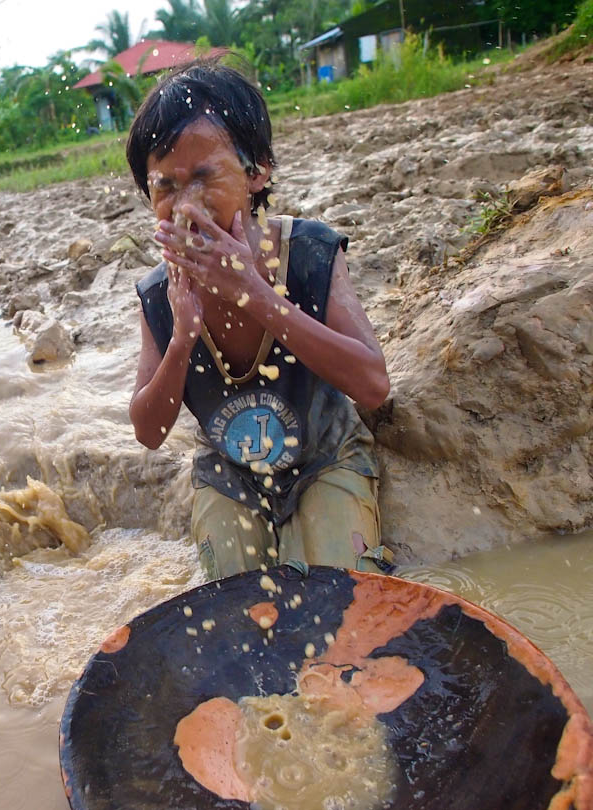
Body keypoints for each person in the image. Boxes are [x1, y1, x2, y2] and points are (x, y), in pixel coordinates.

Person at [127, 61, 393, 580]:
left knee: (340, 592)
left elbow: (374, 384)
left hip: (324, 456)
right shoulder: (161, 294)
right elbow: (149, 432)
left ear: (257, 172)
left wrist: (256, 295)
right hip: (231, 474)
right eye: (166, 187)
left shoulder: (309, 253)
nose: (187, 206)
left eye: (205, 177)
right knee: (235, 608)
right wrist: (181, 340)